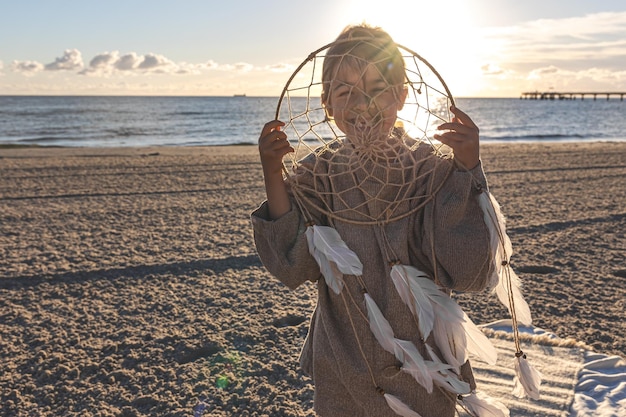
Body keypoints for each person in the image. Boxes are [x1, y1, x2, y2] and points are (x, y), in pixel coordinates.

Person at [251, 24, 492, 417]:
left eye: (379, 88)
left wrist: (467, 168)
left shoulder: (431, 169)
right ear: (328, 104)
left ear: (401, 95)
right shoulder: (317, 175)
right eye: (346, 92)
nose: (363, 104)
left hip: (426, 372)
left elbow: (467, 270)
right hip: (344, 369)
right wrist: (272, 173)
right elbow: (293, 266)